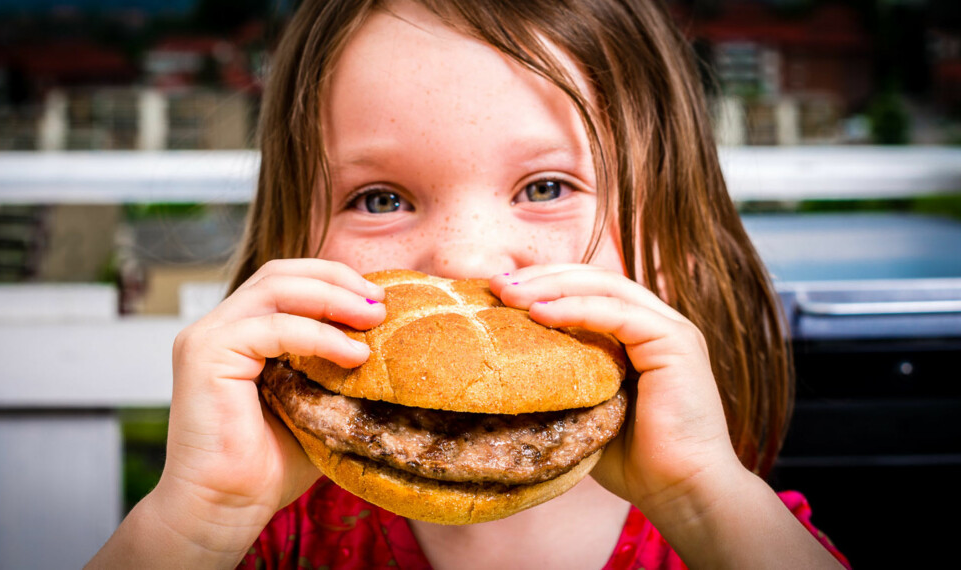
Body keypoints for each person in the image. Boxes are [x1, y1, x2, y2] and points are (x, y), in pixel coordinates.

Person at [89, 0, 850, 568]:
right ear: (292, 249)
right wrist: (197, 521)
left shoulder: (728, 527)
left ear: (678, 243)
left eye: (548, 187)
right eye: (380, 198)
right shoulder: (264, 535)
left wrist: (702, 503)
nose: (465, 263)